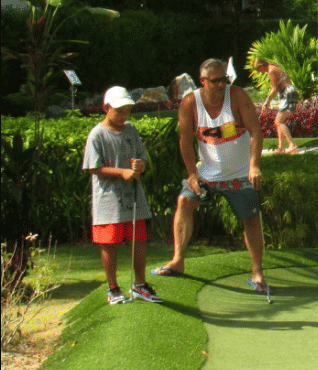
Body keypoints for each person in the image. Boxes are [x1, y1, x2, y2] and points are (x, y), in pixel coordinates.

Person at [152, 58, 268, 294]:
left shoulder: (237, 97)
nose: (221, 85)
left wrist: (254, 166)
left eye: (224, 79)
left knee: (251, 217)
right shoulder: (190, 103)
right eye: (215, 81)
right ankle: (178, 260)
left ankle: (257, 272)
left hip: (239, 173)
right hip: (207, 173)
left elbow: (256, 131)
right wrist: (192, 174)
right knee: (184, 201)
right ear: (203, 81)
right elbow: (185, 141)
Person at [83, 87, 163, 304]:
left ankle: (139, 285)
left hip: (134, 196)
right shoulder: (97, 134)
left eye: (127, 110)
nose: (124, 115)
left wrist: (140, 165)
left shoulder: (131, 130)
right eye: (119, 111)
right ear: (106, 108)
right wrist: (122, 172)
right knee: (109, 243)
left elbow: (142, 158)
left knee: (139, 239)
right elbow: (94, 167)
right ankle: (113, 288)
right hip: (108, 201)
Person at [256, 58, 299, 154]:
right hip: (287, 93)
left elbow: (274, 89)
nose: (260, 72)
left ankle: (292, 145)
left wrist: (266, 101)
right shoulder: (274, 67)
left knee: (278, 121)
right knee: (279, 121)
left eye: (259, 70)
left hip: (287, 93)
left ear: (262, 65)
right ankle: (281, 147)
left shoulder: (272, 71)